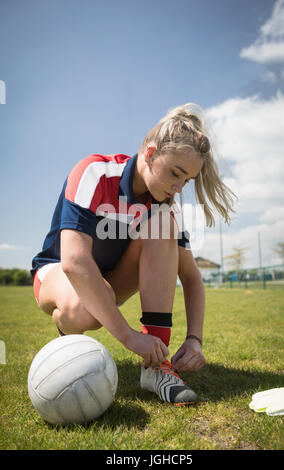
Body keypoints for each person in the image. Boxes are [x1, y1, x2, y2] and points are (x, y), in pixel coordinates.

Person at [31, 103, 236, 405]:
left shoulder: (166, 206)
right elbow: (74, 263)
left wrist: (195, 339)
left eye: (187, 181)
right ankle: (67, 331)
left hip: (111, 280)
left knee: (163, 220)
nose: (179, 188)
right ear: (150, 154)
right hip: (57, 271)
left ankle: (157, 368)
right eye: (175, 174)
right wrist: (129, 336)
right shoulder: (95, 173)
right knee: (82, 311)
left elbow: (191, 278)